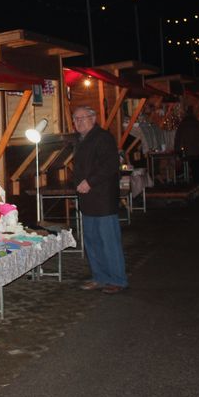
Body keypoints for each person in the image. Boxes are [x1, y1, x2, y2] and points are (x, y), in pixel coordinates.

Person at [71, 106, 128, 294]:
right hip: (88, 200)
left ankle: (117, 279)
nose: (79, 122)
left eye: (83, 118)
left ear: (93, 118)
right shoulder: (80, 140)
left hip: (102, 199)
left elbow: (110, 164)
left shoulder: (103, 137)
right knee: (92, 241)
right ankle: (100, 277)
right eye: (76, 119)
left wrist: (90, 182)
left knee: (108, 241)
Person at [174, 105, 199, 187]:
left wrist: (178, 151)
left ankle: (197, 185)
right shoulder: (198, 123)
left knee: (195, 169)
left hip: (191, 151)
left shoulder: (183, 125)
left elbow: (178, 138)